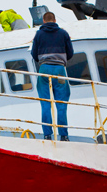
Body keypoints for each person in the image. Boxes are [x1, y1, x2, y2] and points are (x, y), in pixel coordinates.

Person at [30, 12, 74, 141]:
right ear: (55, 20)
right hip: (60, 70)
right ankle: (64, 136)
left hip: (44, 69)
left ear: (44, 21)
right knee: (61, 104)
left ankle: (47, 135)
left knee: (45, 104)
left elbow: (34, 54)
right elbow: (70, 53)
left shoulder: (39, 34)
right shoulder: (63, 33)